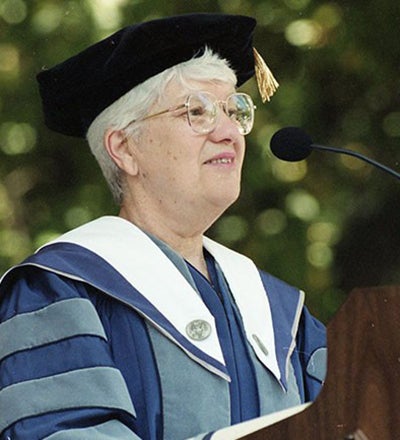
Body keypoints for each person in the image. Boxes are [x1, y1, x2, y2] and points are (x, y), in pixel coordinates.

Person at [0, 13, 326, 440]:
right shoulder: (60, 292)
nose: (229, 131)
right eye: (197, 112)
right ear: (125, 148)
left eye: (234, 110)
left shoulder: (282, 313)